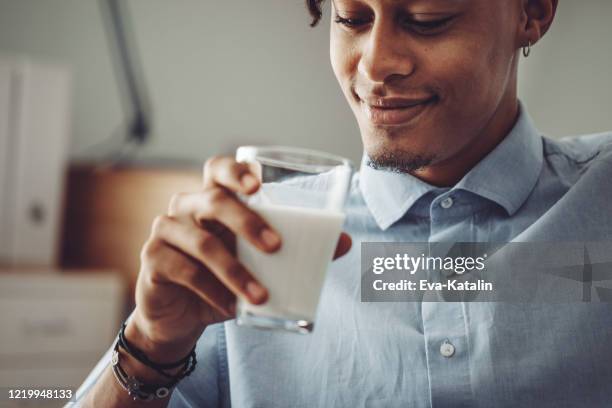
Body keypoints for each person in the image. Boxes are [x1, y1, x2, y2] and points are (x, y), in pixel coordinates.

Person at [72, 0, 612, 406]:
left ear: (534, 11)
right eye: (352, 18)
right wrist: (151, 343)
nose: (375, 66)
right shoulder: (245, 246)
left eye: (427, 19)